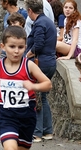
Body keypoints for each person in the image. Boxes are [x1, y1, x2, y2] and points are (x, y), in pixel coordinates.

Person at [25, 0, 57, 142]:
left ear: (31, 10)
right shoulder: (48, 21)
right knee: (43, 98)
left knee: (36, 97)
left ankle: (37, 133)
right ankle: (47, 131)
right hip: (49, 62)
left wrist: (26, 56)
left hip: (40, 63)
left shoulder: (39, 23)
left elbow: (38, 45)